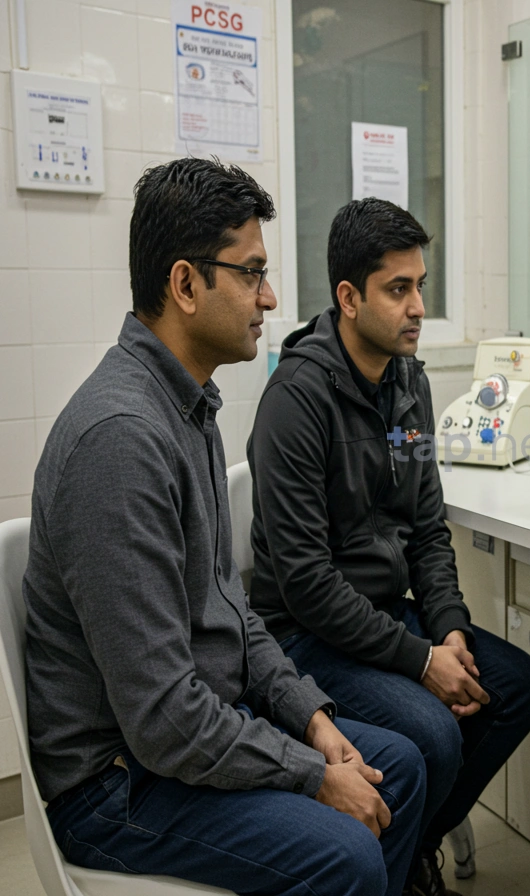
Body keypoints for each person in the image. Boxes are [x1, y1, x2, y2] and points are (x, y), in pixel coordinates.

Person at [23, 159, 426, 896]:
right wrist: (312, 776)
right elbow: (162, 719)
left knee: (395, 766)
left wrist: (310, 720)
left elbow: (230, 612)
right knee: (348, 852)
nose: (269, 297)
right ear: (184, 285)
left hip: (188, 734)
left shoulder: (189, 407)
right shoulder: (120, 439)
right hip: (119, 786)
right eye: (250, 273)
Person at [246, 197, 530, 896]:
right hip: (303, 636)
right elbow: (304, 582)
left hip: (386, 620)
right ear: (349, 298)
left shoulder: (409, 383)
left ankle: (409, 848)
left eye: (421, 287)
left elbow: (428, 532)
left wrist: (449, 631)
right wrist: (420, 662)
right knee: (434, 735)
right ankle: (395, 867)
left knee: (514, 687)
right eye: (398, 289)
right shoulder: (296, 400)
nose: (417, 307)